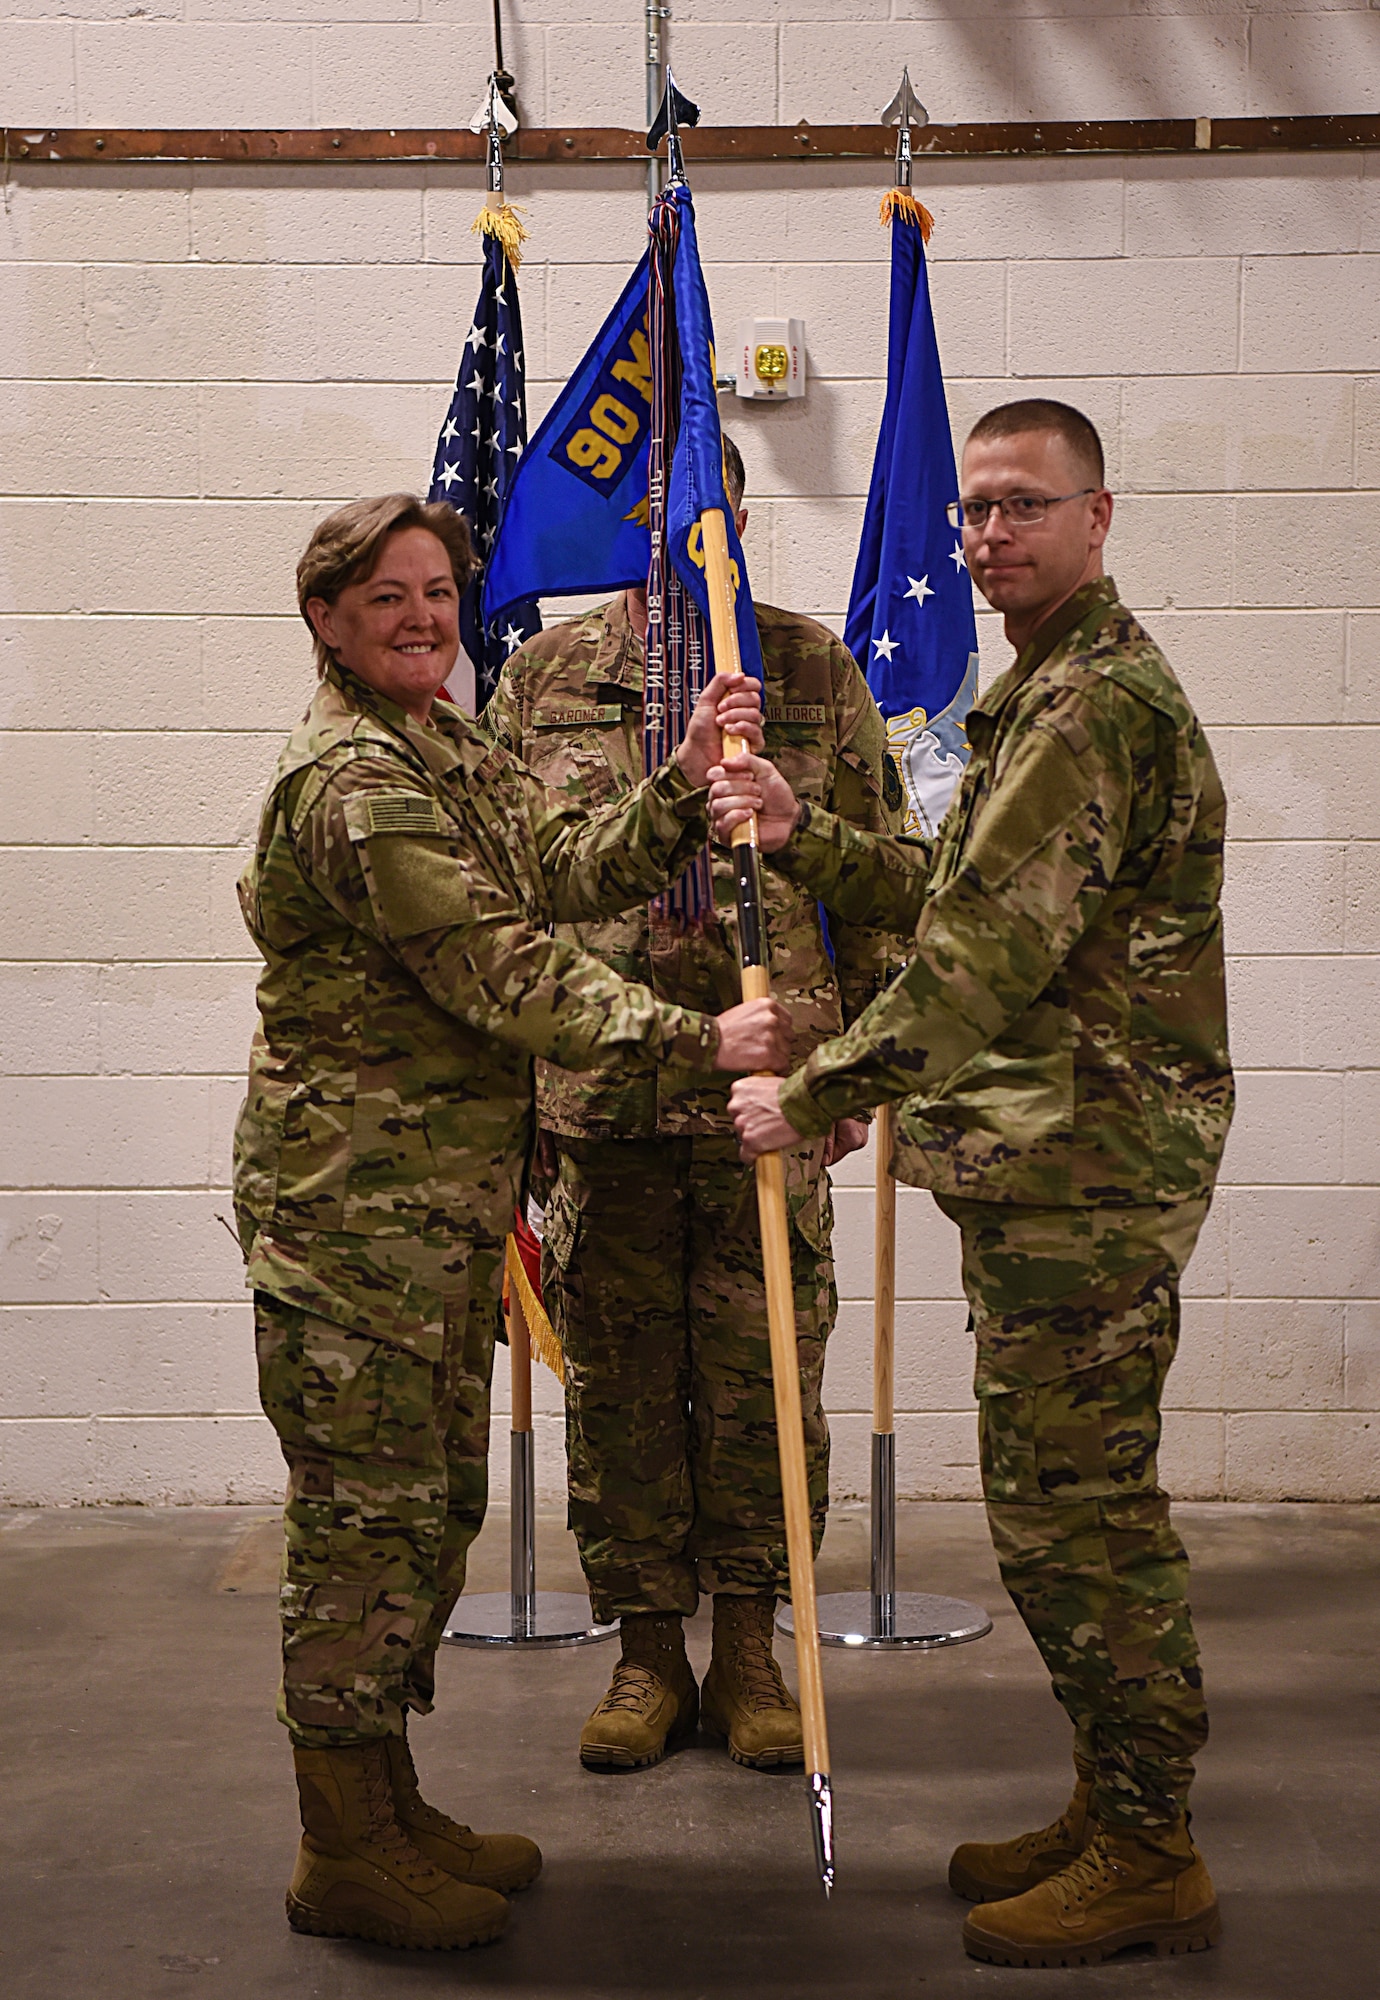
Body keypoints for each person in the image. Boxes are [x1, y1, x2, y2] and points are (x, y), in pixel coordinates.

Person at [712, 401, 1233, 1968]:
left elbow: (977, 959)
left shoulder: (1090, 709)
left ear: (1099, 517)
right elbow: (960, 892)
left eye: (1024, 507)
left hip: (1091, 1169)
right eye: (975, 514)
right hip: (1056, 1165)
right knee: (1061, 1505)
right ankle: (1114, 1802)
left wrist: (815, 1095)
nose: (991, 536)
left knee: (1084, 1519)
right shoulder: (1050, 695)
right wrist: (810, 839)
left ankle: (1151, 1848)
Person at [233, 493, 789, 1953]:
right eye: (387, 598)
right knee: (361, 1538)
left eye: (436, 590)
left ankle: (387, 1809)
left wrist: (669, 792)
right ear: (326, 622)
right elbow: (509, 970)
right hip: (354, 1227)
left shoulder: (446, 742)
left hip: (427, 1220)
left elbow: (554, 868)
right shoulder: (358, 783)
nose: (422, 616)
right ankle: (339, 1843)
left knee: (421, 1518)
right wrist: (705, 1042)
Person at [482, 434, 905, 1775]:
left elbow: (884, 882)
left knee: (765, 1389)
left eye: (712, 511)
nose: (684, 535)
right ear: (628, 522)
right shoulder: (545, 679)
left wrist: (857, 1077)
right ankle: (647, 1656)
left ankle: (753, 1652)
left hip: (767, 1102)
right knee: (617, 1395)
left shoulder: (812, 671)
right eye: (662, 512)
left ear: (739, 520)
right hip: (604, 1098)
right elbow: (504, 902)